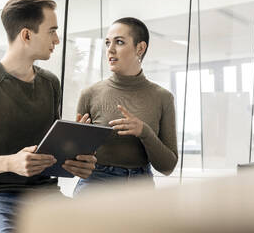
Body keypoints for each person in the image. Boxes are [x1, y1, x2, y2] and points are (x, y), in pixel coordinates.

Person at [0, 0, 96, 233]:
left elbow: (48, 149)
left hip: (46, 195)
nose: (57, 39)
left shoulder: (50, 83)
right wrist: (10, 162)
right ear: (26, 34)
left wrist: (76, 160)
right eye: (52, 31)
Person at [74, 17, 178, 195]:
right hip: (96, 186)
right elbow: (76, 161)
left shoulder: (163, 97)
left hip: (141, 189)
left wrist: (144, 132)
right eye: (107, 43)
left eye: (119, 42)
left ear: (140, 48)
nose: (110, 50)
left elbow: (168, 167)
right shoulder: (89, 94)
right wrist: (78, 142)